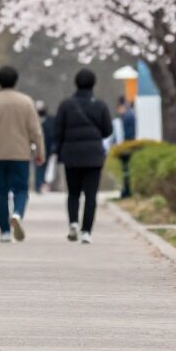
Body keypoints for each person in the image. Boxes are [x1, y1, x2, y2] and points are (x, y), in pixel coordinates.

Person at [0, 65, 45, 242]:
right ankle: (17, 214)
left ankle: (5, 232)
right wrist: (40, 152)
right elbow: (35, 131)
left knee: (0, 192)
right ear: (16, 80)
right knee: (21, 189)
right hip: (20, 153)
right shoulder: (26, 102)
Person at [54, 68, 113, 243]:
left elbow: (58, 131)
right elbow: (108, 130)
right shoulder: (100, 105)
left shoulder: (66, 105)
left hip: (71, 155)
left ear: (76, 83)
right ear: (94, 84)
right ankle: (86, 231)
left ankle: (73, 222)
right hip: (94, 156)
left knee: (73, 193)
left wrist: (58, 151)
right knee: (91, 195)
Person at [116, 94, 138, 199]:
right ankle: (126, 190)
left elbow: (127, 134)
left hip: (126, 147)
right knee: (126, 170)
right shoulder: (130, 114)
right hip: (128, 146)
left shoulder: (127, 116)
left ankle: (126, 191)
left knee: (126, 170)